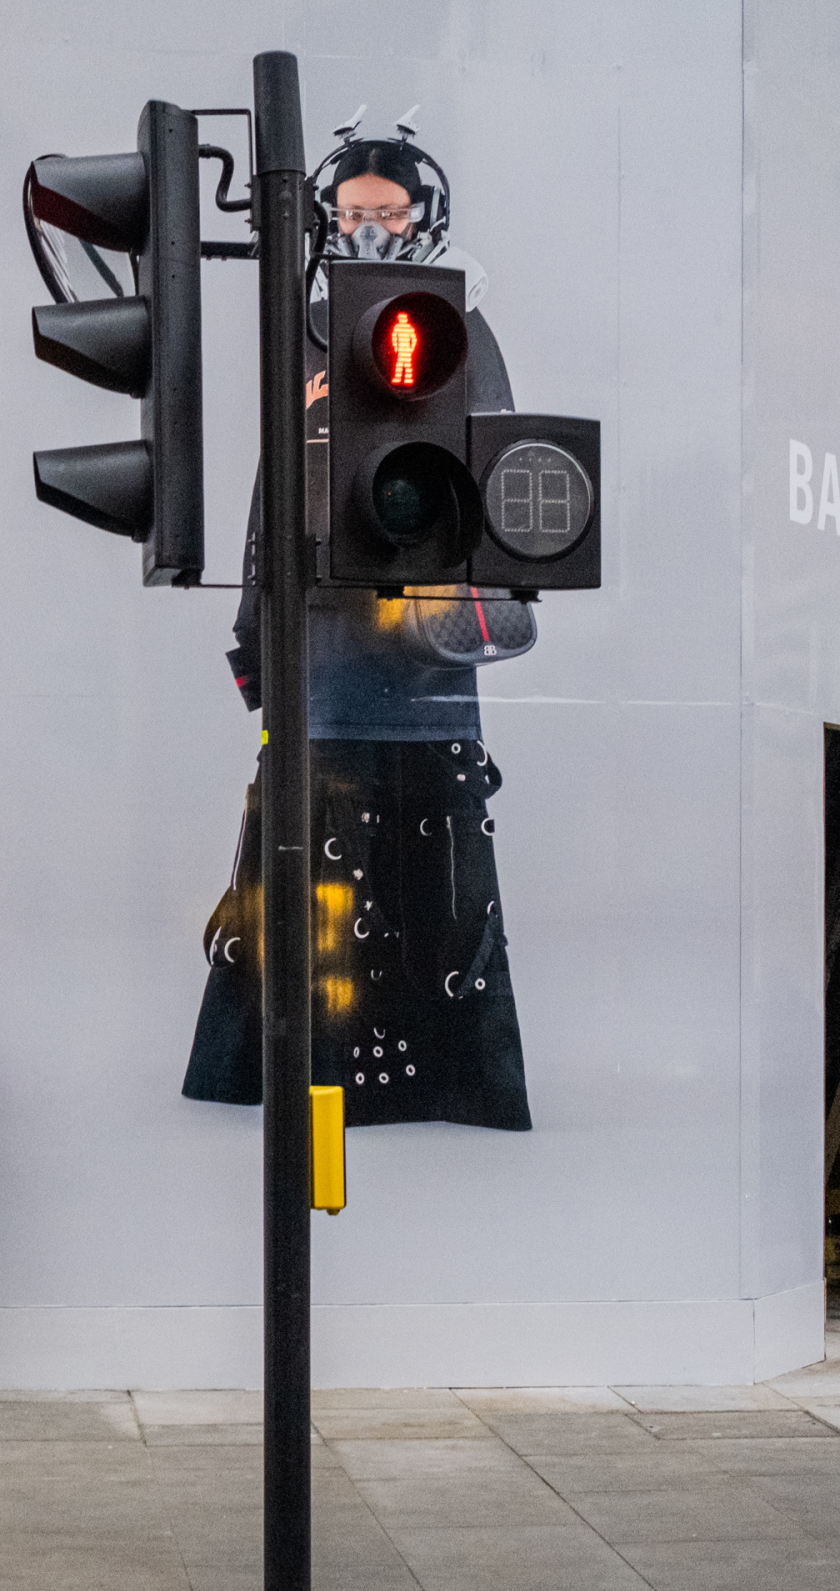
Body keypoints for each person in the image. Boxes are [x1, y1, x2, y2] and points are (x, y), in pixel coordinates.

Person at [182, 122, 531, 1133]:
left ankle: (444, 1081)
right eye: (354, 212)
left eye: (389, 211)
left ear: (424, 218)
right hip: (322, 667)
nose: (370, 228)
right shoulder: (308, 329)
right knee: (306, 871)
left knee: (437, 871)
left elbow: (501, 485)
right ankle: (296, 1077)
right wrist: (255, 644)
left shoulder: (460, 334)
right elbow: (273, 494)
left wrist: (479, 595)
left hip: (427, 672)